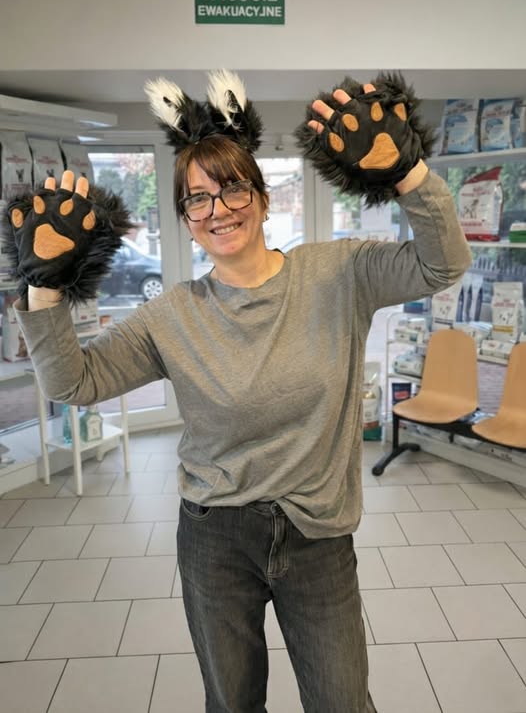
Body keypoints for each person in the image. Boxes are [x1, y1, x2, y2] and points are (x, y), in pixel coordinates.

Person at [6, 70, 471, 713]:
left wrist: (407, 173)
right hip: (215, 535)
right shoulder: (172, 315)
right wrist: (43, 287)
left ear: (261, 196)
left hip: (318, 532)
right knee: (232, 704)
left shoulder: (339, 274)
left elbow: (442, 263)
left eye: (231, 188)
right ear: (185, 220)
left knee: (342, 701)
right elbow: (73, 381)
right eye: (197, 199)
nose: (217, 209)